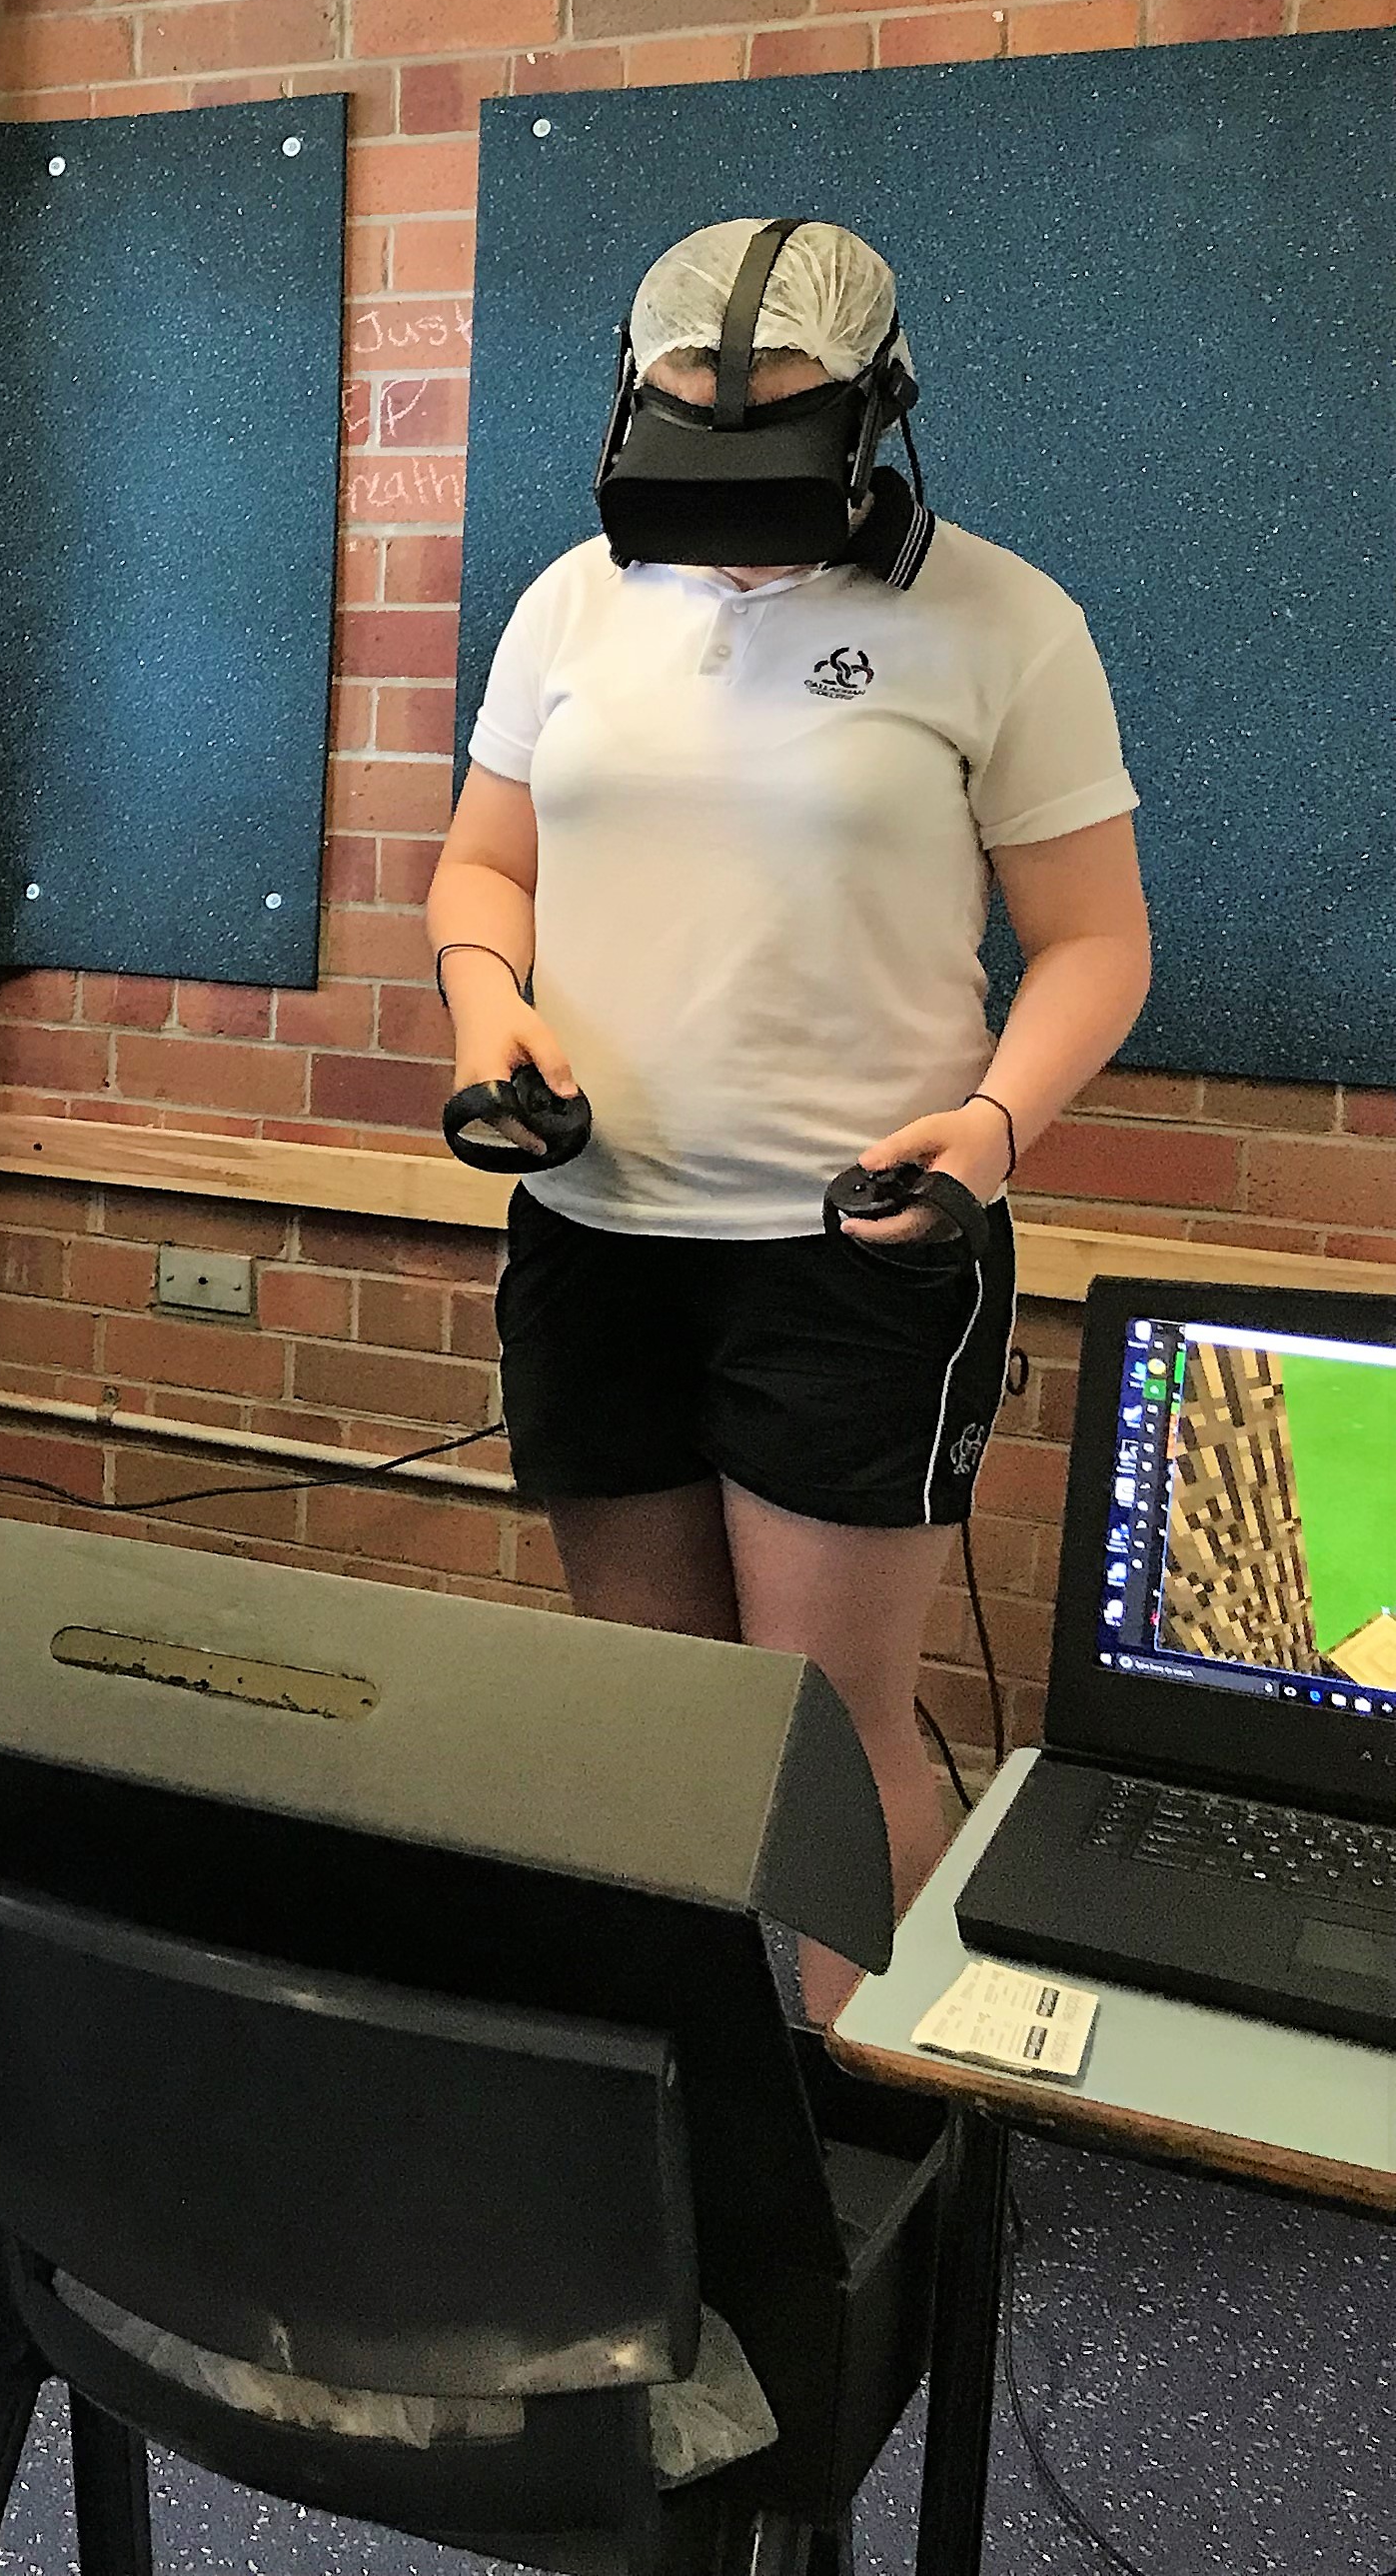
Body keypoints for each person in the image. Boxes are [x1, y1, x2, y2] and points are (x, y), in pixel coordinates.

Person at [429, 218, 1151, 2018]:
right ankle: (689, 2119)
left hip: (853, 1250)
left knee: (825, 1744)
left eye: (777, 428)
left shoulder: (1000, 620)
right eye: (688, 421)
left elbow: (1094, 942)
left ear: (873, 419)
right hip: (599, 1236)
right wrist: (488, 1001)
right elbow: (482, 864)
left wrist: (991, 1129)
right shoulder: (569, 604)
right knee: (659, 1731)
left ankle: (858, 2144)